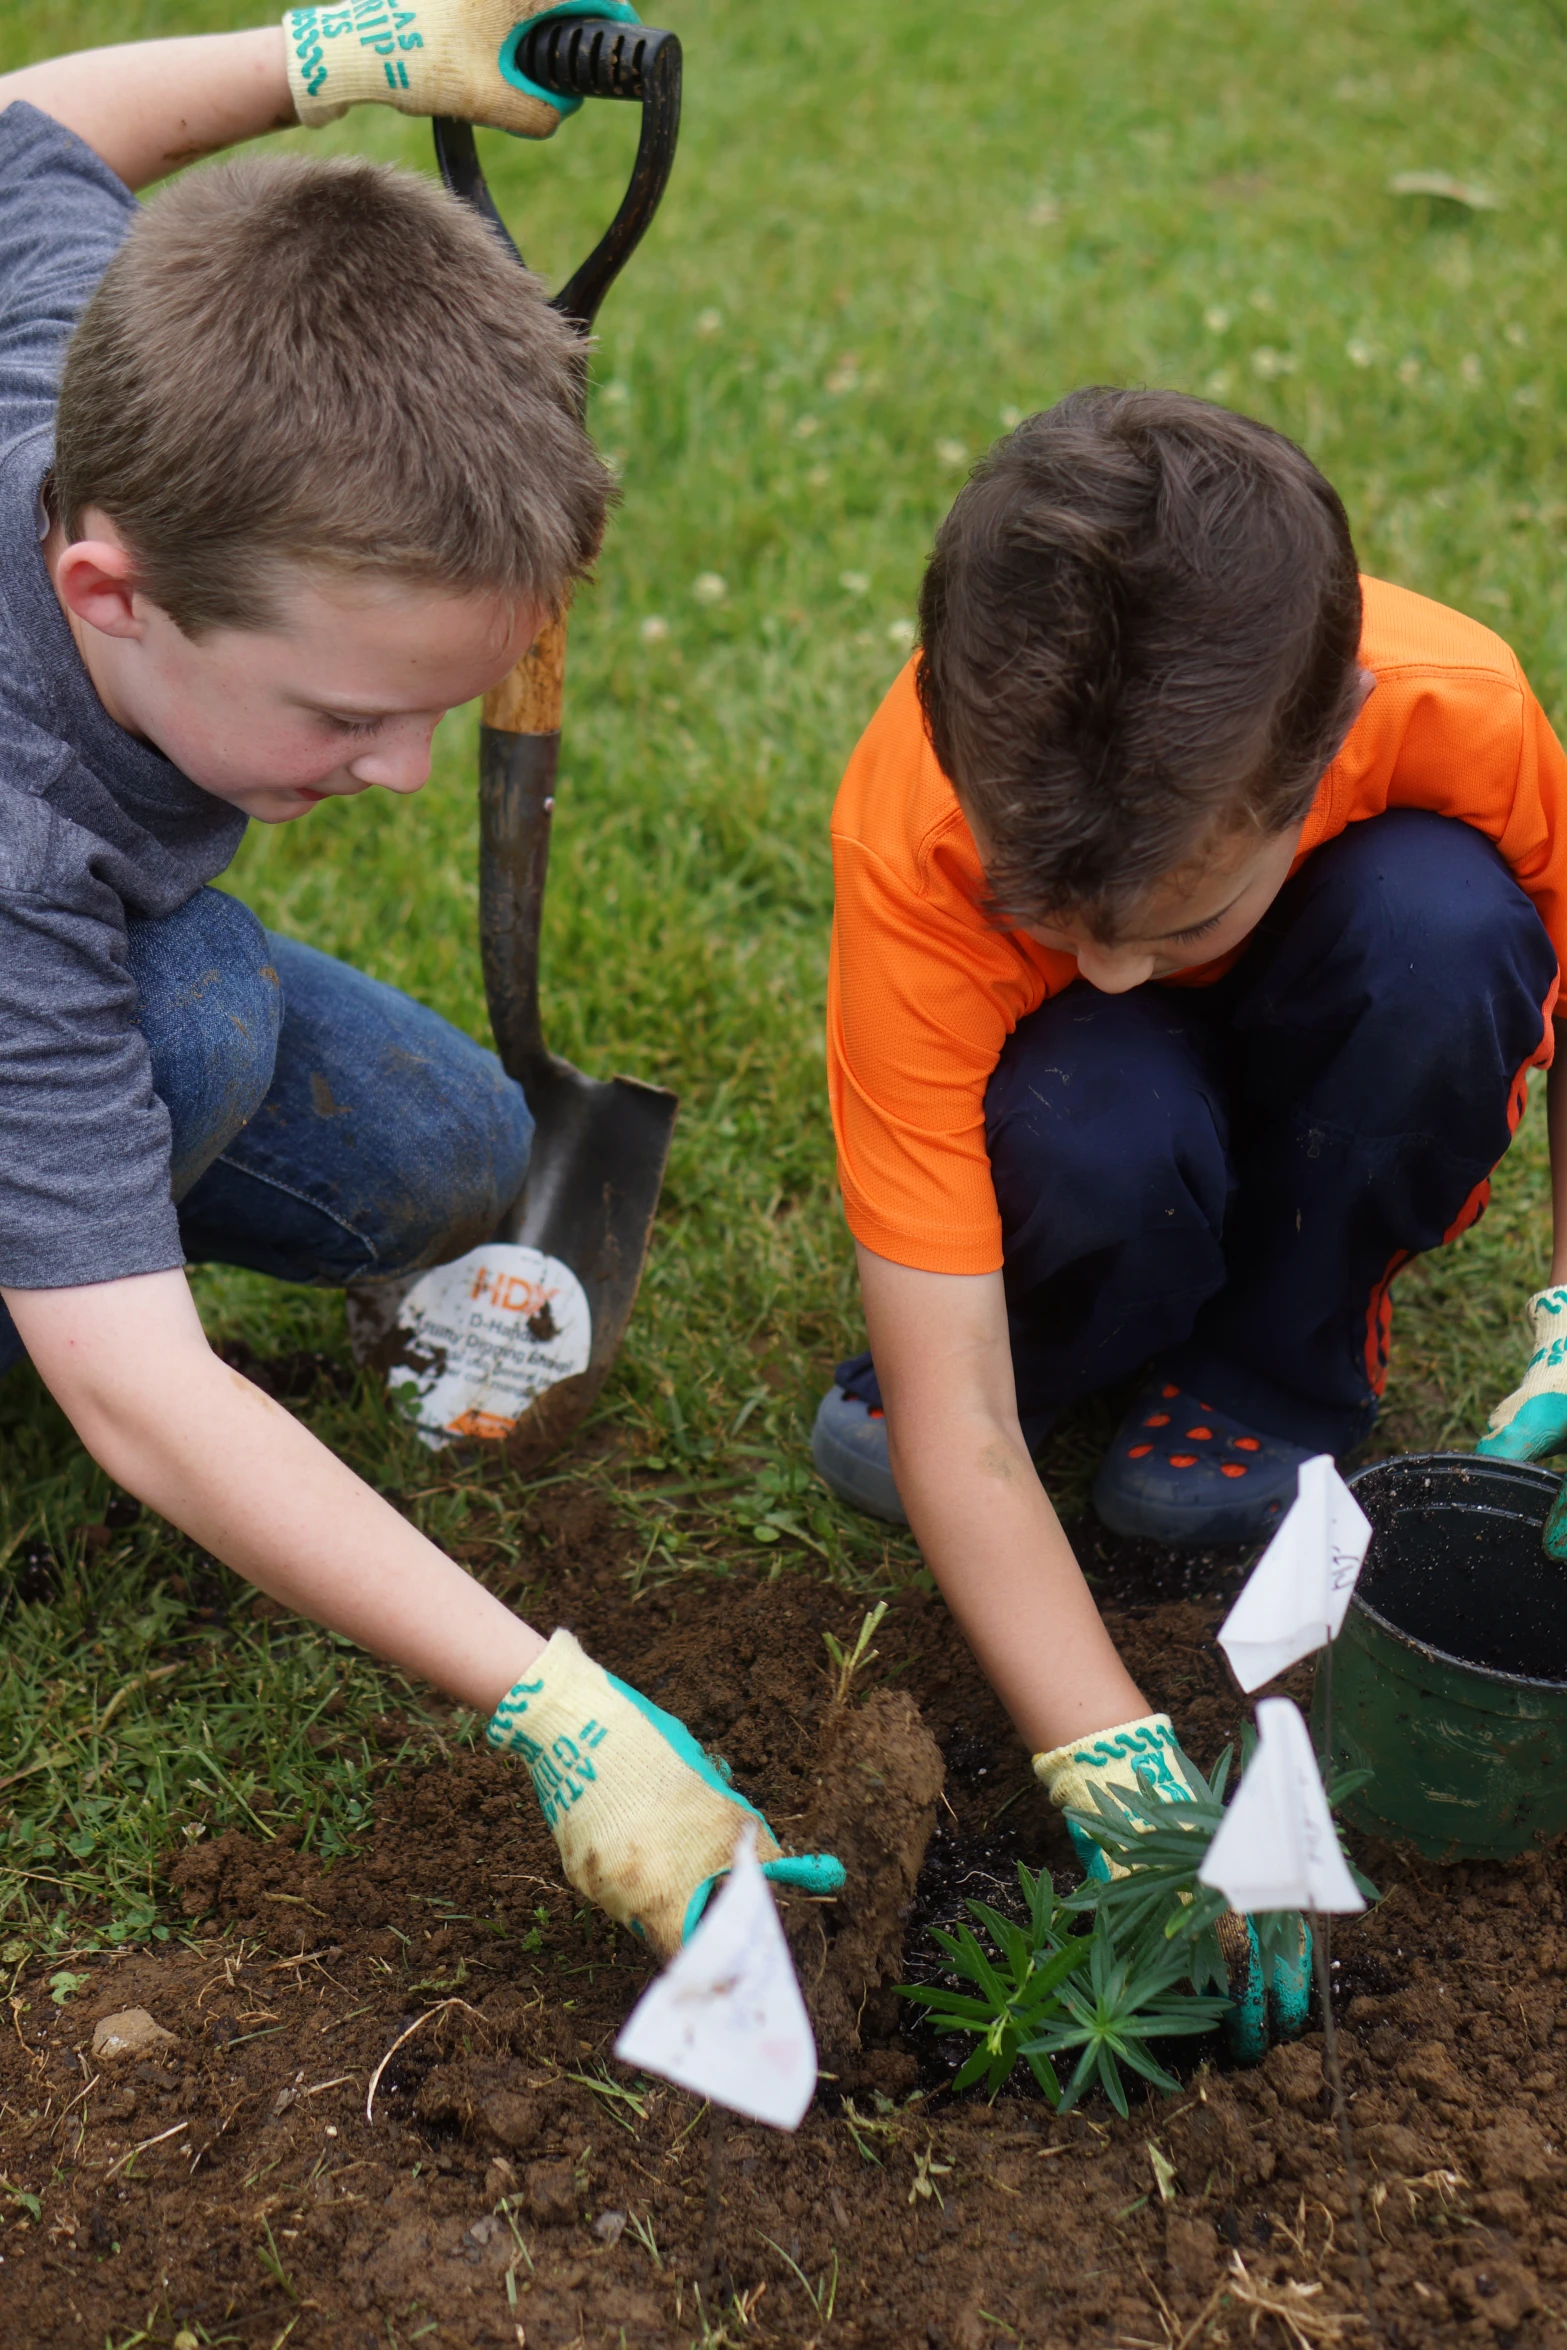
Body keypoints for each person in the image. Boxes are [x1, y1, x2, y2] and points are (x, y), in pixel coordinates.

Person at [0, 18, 840, 1959]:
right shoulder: (23, 843)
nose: (393, 768)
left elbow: (33, 120)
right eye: (349, 710)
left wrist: (350, 43)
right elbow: (143, 1397)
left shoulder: (84, 341)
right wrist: (549, 1698)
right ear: (111, 590)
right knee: (182, 1030)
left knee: (449, 1144)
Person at [812, 387, 1567, 2033]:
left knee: (1445, 935)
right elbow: (958, 1440)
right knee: (1093, 1116)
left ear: (1330, 736)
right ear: (946, 722)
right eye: (1048, 912)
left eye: (1171, 914)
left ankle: (1270, 1365)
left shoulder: (1458, 706)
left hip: (1342, 1015)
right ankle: (1059, 1330)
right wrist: (1111, 1756)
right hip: (1079, 1101)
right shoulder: (920, 823)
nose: (1096, 957)